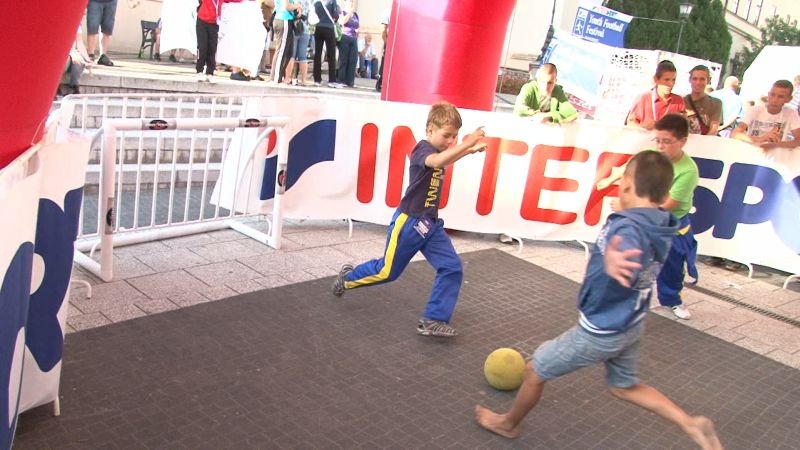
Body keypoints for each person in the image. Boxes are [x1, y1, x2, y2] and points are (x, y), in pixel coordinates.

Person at [474, 150, 723, 450]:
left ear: (627, 185)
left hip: (601, 331)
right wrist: (622, 221)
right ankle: (689, 423)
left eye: (623, 184)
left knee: (534, 370)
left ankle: (508, 424)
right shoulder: (661, 222)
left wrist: (613, 259)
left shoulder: (628, 228)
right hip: (630, 325)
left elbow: (627, 243)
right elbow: (637, 234)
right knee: (624, 386)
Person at [331, 102, 487, 337]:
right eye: (447, 136)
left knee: (452, 267)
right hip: (410, 224)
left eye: (454, 136)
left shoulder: (439, 151)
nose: (451, 142)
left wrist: (468, 151)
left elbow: (444, 159)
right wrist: (466, 143)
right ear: (430, 129)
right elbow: (437, 162)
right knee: (387, 272)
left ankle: (433, 319)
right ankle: (347, 279)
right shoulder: (421, 150)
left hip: (430, 225)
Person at [598, 115, 699, 320]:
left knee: (672, 267)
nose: (660, 146)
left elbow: (668, 205)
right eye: (657, 140)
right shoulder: (652, 155)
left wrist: (627, 207)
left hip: (670, 224)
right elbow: (630, 167)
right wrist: (610, 179)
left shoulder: (688, 171)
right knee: (633, 263)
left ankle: (672, 300)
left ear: (682, 141)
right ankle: (624, 301)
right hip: (641, 219)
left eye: (667, 141)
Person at [732, 79, 800, 150]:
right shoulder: (755, 110)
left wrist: (775, 145)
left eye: (780, 97)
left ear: (789, 99)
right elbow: (735, 134)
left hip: (774, 155)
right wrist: (760, 139)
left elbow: (798, 140)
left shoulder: (791, 113)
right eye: (772, 95)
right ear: (768, 94)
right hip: (751, 152)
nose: (774, 100)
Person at [626, 60, 685, 129]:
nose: (671, 84)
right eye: (666, 80)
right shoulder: (643, 98)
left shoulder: (679, 101)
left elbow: (683, 128)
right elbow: (630, 123)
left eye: (673, 80)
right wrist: (643, 128)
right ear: (656, 79)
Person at [513, 63, 578, 123]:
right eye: (542, 82)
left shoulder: (557, 90)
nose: (546, 87)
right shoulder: (529, 88)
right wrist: (535, 114)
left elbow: (571, 113)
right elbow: (518, 108)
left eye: (550, 83)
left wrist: (549, 117)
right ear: (538, 80)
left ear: (555, 81)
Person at [684, 65, 722, 136]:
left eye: (702, 79)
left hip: (705, 141)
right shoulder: (681, 101)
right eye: (695, 79)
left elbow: (713, 130)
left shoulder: (715, 103)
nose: (698, 82)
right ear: (690, 80)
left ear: (708, 81)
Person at [283, 0, 311, 85]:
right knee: (303, 56)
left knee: (291, 55)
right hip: (306, 29)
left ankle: (287, 78)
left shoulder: (294, 1)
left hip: (294, 28)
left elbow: (290, 9)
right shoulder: (309, 2)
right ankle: (303, 80)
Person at [312, 0, 339, 87]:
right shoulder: (332, 1)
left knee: (318, 54)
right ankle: (331, 80)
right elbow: (336, 15)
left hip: (318, 27)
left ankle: (317, 79)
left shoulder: (316, 2)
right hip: (329, 28)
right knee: (331, 54)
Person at [195, 0, 222, 83]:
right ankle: (199, 71)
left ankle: (210, 73)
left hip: (214, 23)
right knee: (202, 47)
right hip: (202, 21)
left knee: (212, 48)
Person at [61, 27, 93, 95]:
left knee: (79, 60)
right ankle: (54, 87)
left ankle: (73, 87)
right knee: (67, 60)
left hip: (72, 53)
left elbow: (80, 43)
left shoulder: (77, 25)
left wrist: (87, 60)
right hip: (61, 53)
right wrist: (72, 54)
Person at [86, 0, 118, 66]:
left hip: (111, 1)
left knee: (108, 28)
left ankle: (103, 56)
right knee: (92, 26)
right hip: (94, 1)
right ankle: (91, 55)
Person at [335, 2, 360, 88]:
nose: (352, 3)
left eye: (352, 1)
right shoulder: (342, 12)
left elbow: (357, 25)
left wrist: (358, 32)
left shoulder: (356, 15)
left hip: (354, 38)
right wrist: (349, 13)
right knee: (344, 59)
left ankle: (350, 81)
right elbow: (342, 22)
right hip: (344, 36)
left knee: (353, 60)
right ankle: (341, 80)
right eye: (350, 1)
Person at [375, 7, 389, 92]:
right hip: (389, 41)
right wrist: (387, 42)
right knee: (385, 62)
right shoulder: (388, 11)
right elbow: (383, 29)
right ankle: (381, 83)